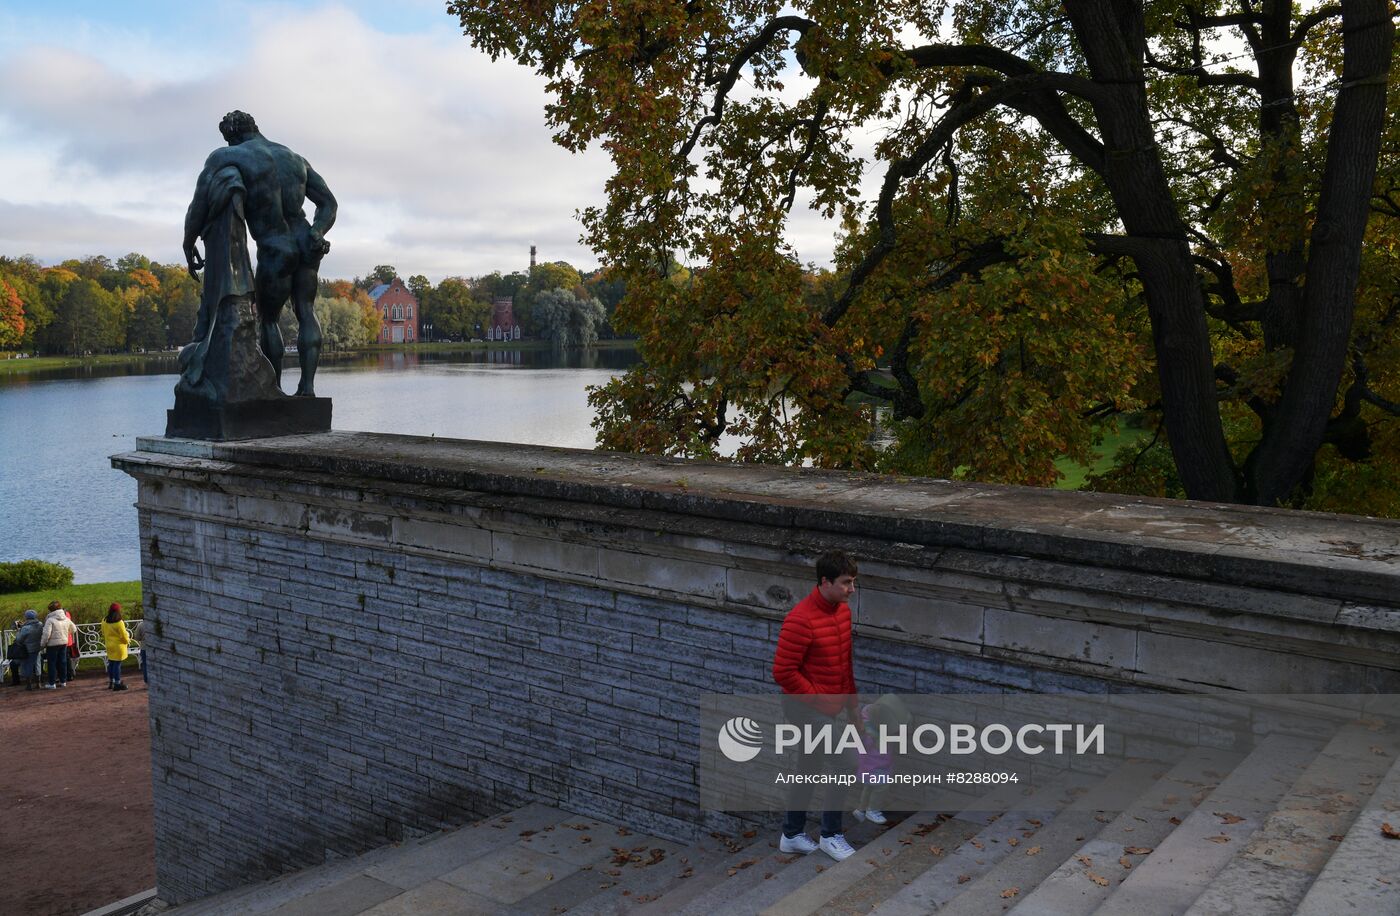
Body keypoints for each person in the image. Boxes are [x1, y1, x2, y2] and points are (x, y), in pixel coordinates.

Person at [183, 110, 337, 396]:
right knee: (306, 311)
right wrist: (317, 231)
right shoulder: (294, 158)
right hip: (306, 240)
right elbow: (329, 203)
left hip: (276, 247)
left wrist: (188, 240)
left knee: (268, 319)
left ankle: (274, 389)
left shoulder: (227, 156)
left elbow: (199, 203)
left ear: (232, 136)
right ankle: (307, 389)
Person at [772, 550, 862, 862]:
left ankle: (792, 834)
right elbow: (782, 672)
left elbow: (844, 663)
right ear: (825, 582)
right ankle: (830, 835)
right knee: (846, 762)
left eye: (853, 582)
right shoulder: (800, 619)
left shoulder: (842, 611)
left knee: (808, 767)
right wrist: (819, 700)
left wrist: (852, 707)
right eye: (846, 583)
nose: (851, 589)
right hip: (805, 708)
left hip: (830, 705)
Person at [852, 694, 912, 826]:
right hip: (875, 764)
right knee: (881, 787)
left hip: (870, 764)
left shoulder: (872, 715)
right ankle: (873, 810)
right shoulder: (869, 732)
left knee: (869, 787)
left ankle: (861, 809)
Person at [40, 601, 76, 689]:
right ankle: (63, 681)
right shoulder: (66, 618)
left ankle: (52, 683)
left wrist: (42, 644)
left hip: (52, 645)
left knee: (52, 663)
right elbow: (74, 629)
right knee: (62, 662)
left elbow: (46, 634)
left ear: (50, 610)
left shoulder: (50, 620)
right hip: (64, 643)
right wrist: (65, 634)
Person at [102, 603, 130, 691]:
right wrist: (127, 641)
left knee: (111, 663)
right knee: (117, 664)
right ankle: (117, 683)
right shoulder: (119, 622)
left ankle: (111, 682)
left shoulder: (104, 620)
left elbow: (103, 632)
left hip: (109, 645)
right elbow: (124, 635)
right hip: (118, 646)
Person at [16, 610, 43, 690]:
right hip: (38, 648)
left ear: (26, 617)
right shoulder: (40, 624)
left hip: (27, 649)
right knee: (37, 665)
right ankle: (38, 683)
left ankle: (29, 685)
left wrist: (18, 630)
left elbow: (19, 639)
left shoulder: (25, 628)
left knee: (27, 666)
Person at [132, 617, 147, 684]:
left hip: (144, 647)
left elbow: (137, 637)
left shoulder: (141, 625)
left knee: (145, 664)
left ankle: (146, 680)